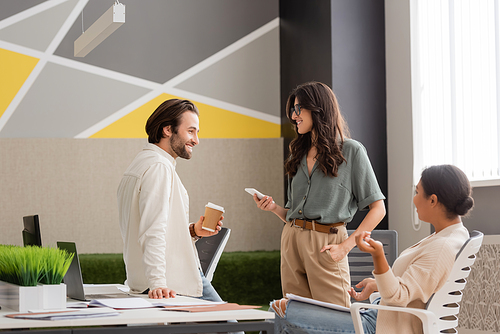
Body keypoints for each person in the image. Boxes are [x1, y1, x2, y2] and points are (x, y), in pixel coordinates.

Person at [271, 164, 474, 334]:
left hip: (380, 326)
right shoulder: (450, 236)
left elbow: (398, 296)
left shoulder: (441, 247)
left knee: (283, 310)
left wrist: (378, 256)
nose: (414, 199)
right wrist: (377, 284)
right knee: (287, 308)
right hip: (378, 314)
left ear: (433, 200)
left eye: (417, 192)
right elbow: (415, 287)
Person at [253, 81, 386, 306]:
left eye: (298, 109)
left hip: (327, 243)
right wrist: (274, 208)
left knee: (336, 318)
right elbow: (294, 213)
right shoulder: (297, 154)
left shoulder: (351, 151)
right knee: (296, 317)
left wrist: (346, 247)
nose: (294, 116)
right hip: (291, 239)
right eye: (292, 111)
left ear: (318, 109)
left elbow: (378, 209)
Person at [117, 98, 223, 301]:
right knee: (231, 329)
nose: (196, 140)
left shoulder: (140, 164)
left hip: (148, 282)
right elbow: (152, 230)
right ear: (168, 130)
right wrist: (158, 283)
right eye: (191, 131)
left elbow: (148, 225)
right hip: (171, 282)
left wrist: (193, 231)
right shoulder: (159, 167)